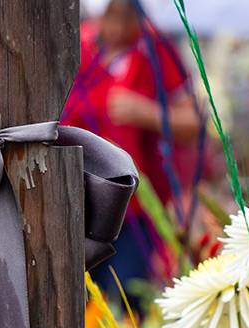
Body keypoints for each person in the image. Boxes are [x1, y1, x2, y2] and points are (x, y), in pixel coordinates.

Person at [63, 0, 201, 295]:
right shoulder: (76, 45)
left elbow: (193, 124)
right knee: (75, 298)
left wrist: (145, 112)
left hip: (131, 210)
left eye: (125, 16)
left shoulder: (155, 50)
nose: (116, 26)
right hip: (71, 201)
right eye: (109, 15)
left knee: (123, 296)